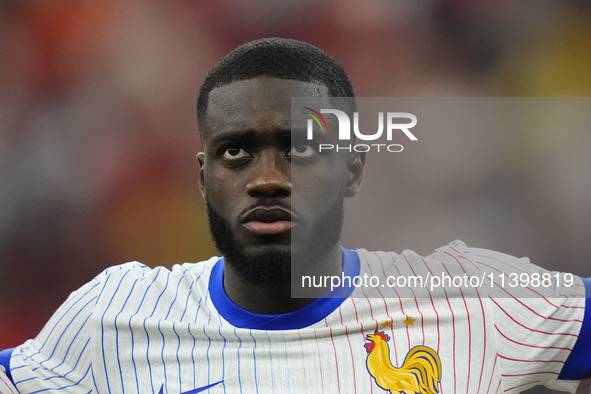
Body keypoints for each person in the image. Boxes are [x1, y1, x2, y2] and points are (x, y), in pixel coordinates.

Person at [0, 37, 590, 394]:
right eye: (237, 152)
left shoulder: (466, 302)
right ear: (204, 175)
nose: (268, 179)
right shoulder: (114, 319)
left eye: (302, 149)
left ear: (353, 169)